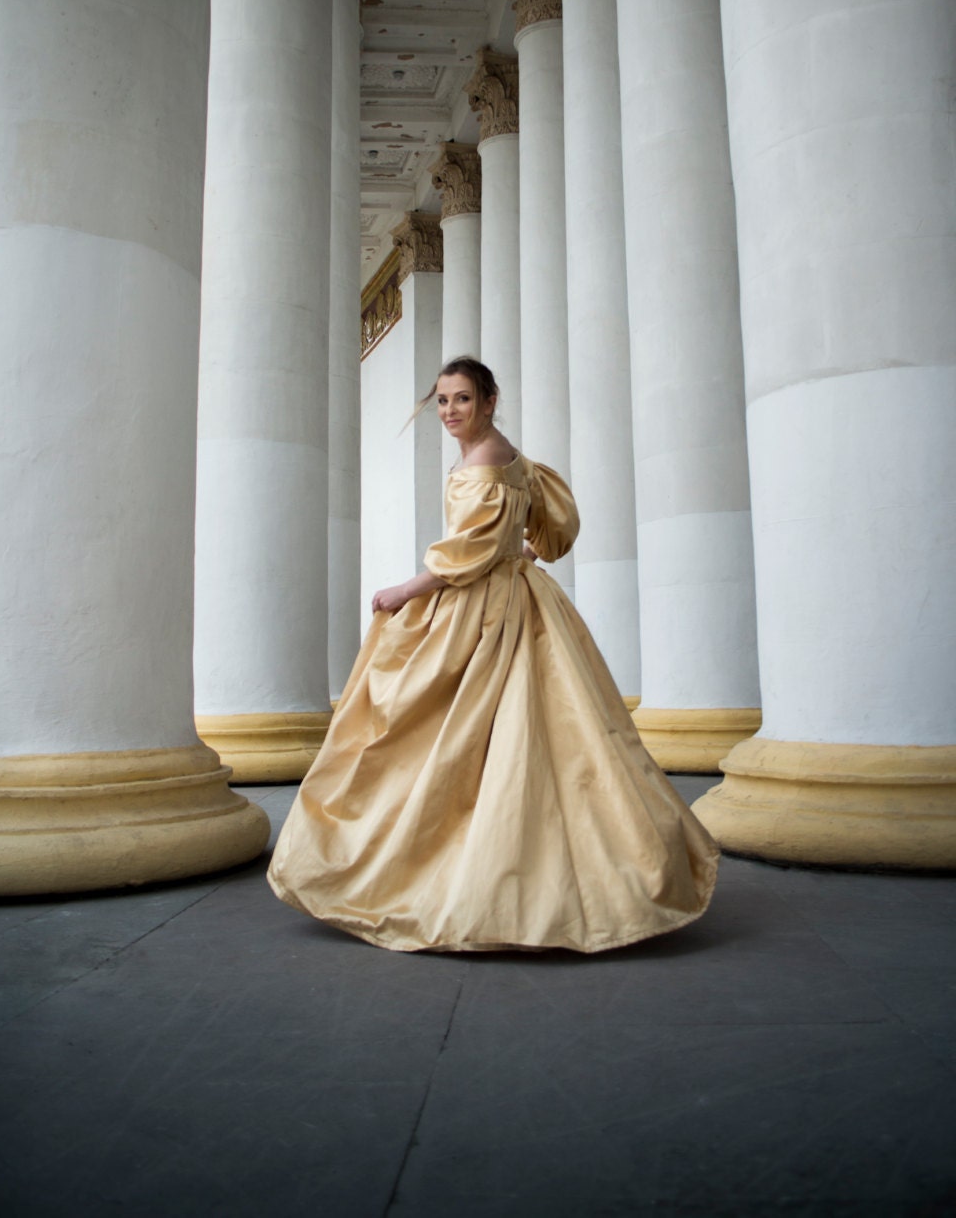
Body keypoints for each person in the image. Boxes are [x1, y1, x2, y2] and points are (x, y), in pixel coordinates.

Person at [267, 357, 719, 952]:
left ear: (488, 400)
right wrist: (521, 554)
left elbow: (465, 554)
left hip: (484, 609)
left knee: (443, 726)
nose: (451, 411)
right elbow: (549, 526)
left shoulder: (484, 464)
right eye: (443, 401)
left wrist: (405, 590)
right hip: (513, 596)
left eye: (462, 399)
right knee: (523, 736)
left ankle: (477, 879)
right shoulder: (511, 457)